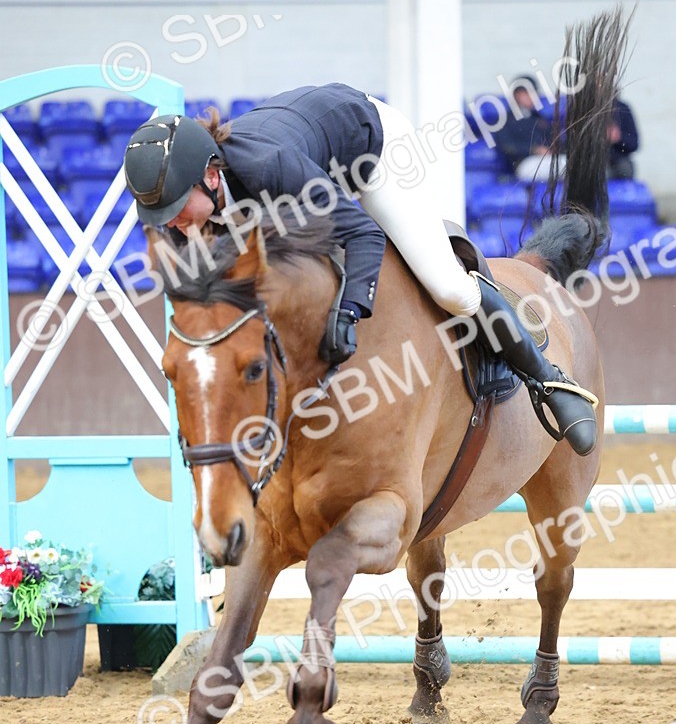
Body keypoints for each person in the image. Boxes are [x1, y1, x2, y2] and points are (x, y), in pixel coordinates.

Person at [123, 84, 597, 454]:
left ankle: (551, 381)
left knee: (448, 288)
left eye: (178, 210)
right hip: (307, 151)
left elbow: (362, 234)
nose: (175, 225)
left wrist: (349, 313)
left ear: (210, 175)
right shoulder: (181, 209)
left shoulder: (269, 170)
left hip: (372, 147)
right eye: (163, 216)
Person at [494, 76, 555, 181]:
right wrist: (535, 150)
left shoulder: (539, 119)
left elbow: (553, 140)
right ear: (516, 95)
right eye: (527, 93)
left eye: (534, 93)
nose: (533, 97)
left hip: (546, 160)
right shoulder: (505, 120)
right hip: (524, 163)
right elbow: (507, 146)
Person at [607, 97, 639, 179]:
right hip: (595, 162)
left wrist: (618, 138)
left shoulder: (622, 109)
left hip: (620, 161)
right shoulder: (586, 109)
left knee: (624, 168)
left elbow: (634, 144)